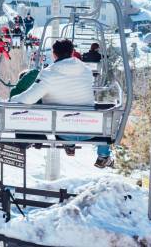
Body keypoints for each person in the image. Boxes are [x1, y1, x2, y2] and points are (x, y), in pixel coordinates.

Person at [10, 39, 113, 168]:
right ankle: (103, 154)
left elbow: (27, 99)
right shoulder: (86, 71)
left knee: (50, 110)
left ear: (54, 54)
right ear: (72, 52)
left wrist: (11, 100)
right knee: (95, 112)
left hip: (62, 131)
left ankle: (69, 143)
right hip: (90, 129)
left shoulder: (48, 74)